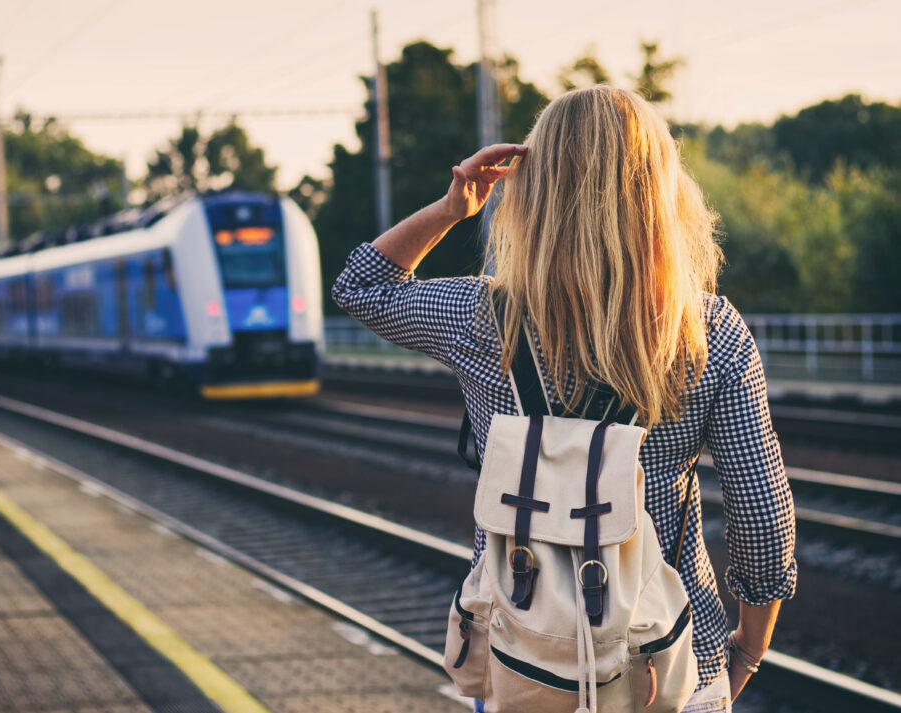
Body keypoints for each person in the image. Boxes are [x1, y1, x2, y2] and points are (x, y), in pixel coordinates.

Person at [331, 85, 796, 711]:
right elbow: (763, 520)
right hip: (669, 662)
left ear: (534, 190)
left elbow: (360, 286)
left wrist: (453, 207)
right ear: (661, 189)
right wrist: (745, 649)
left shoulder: (480, 317)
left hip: (520, 660)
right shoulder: (707, 331)